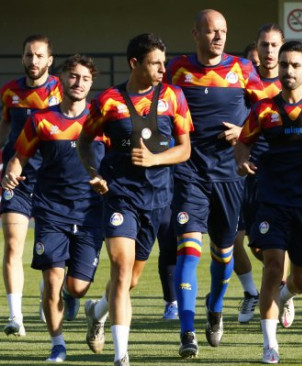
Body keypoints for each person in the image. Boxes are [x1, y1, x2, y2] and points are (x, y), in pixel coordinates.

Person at [78, 33, 192, 366]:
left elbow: (184, 149)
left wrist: (156, 159)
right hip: (120, 196)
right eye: (156, 63)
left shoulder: (174, 97)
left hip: (158, 199)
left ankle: (97, 311)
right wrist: (94, 173)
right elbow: (85, 142)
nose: (162, 69)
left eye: (164, 62)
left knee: (131, 280)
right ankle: (120, 356)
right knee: (121, 267)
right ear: (135, 64)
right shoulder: (109, 102)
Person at [165, 9, 262, 357]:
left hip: (229, 176)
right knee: (188, 251)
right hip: (189, 174)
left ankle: (215, 307)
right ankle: (187, 332)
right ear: (195, 34)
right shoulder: (176, 70)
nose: (218, 37)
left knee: (223, 254)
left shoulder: (243, 70)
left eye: (223, 30)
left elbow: (266, 111)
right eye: (210, 31)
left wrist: (243, 131)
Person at [235, 40, 302, 365]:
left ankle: (286, 296)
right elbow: (243, 142)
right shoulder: (264, 109)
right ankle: (269, 345)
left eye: (295, 65)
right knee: (274, 267)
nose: (288, 71)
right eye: (284, 65)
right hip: (272, 201)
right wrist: (242, 161)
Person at [1, 54, 103, 362]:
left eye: (85, 78)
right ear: (62, 79)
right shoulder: (41, 120)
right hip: (51, 210)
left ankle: (76, 299)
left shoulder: (101, 121)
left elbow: (118, 157)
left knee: (78, 286)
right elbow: (20, 154)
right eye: (74, 76)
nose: (79, 82)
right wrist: (11, 170)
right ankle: (57, 345)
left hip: (90, 213)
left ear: (91, 84)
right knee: (53, 279)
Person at [1, 34, 62, 336]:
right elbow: (4, 128)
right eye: (28, 55)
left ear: (50, 60)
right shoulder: (10, 92)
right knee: (13, 245)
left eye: (39, 56)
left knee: (50, 252)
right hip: (16, 179)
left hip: (51, 181)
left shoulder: (62, 91)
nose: (33, 61)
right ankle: (15, 317)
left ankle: (45, 295)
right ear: (22, 58)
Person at [231, 23, 285, 325]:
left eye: (274, 45)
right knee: (233, 239)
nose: (268, 50)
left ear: (282, 47)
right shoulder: (243, 83)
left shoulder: (289, 83)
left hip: (276, 172)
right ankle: (251, 291)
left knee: (273, 245)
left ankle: (280, 292)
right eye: (264, 45)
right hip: (243, 169)